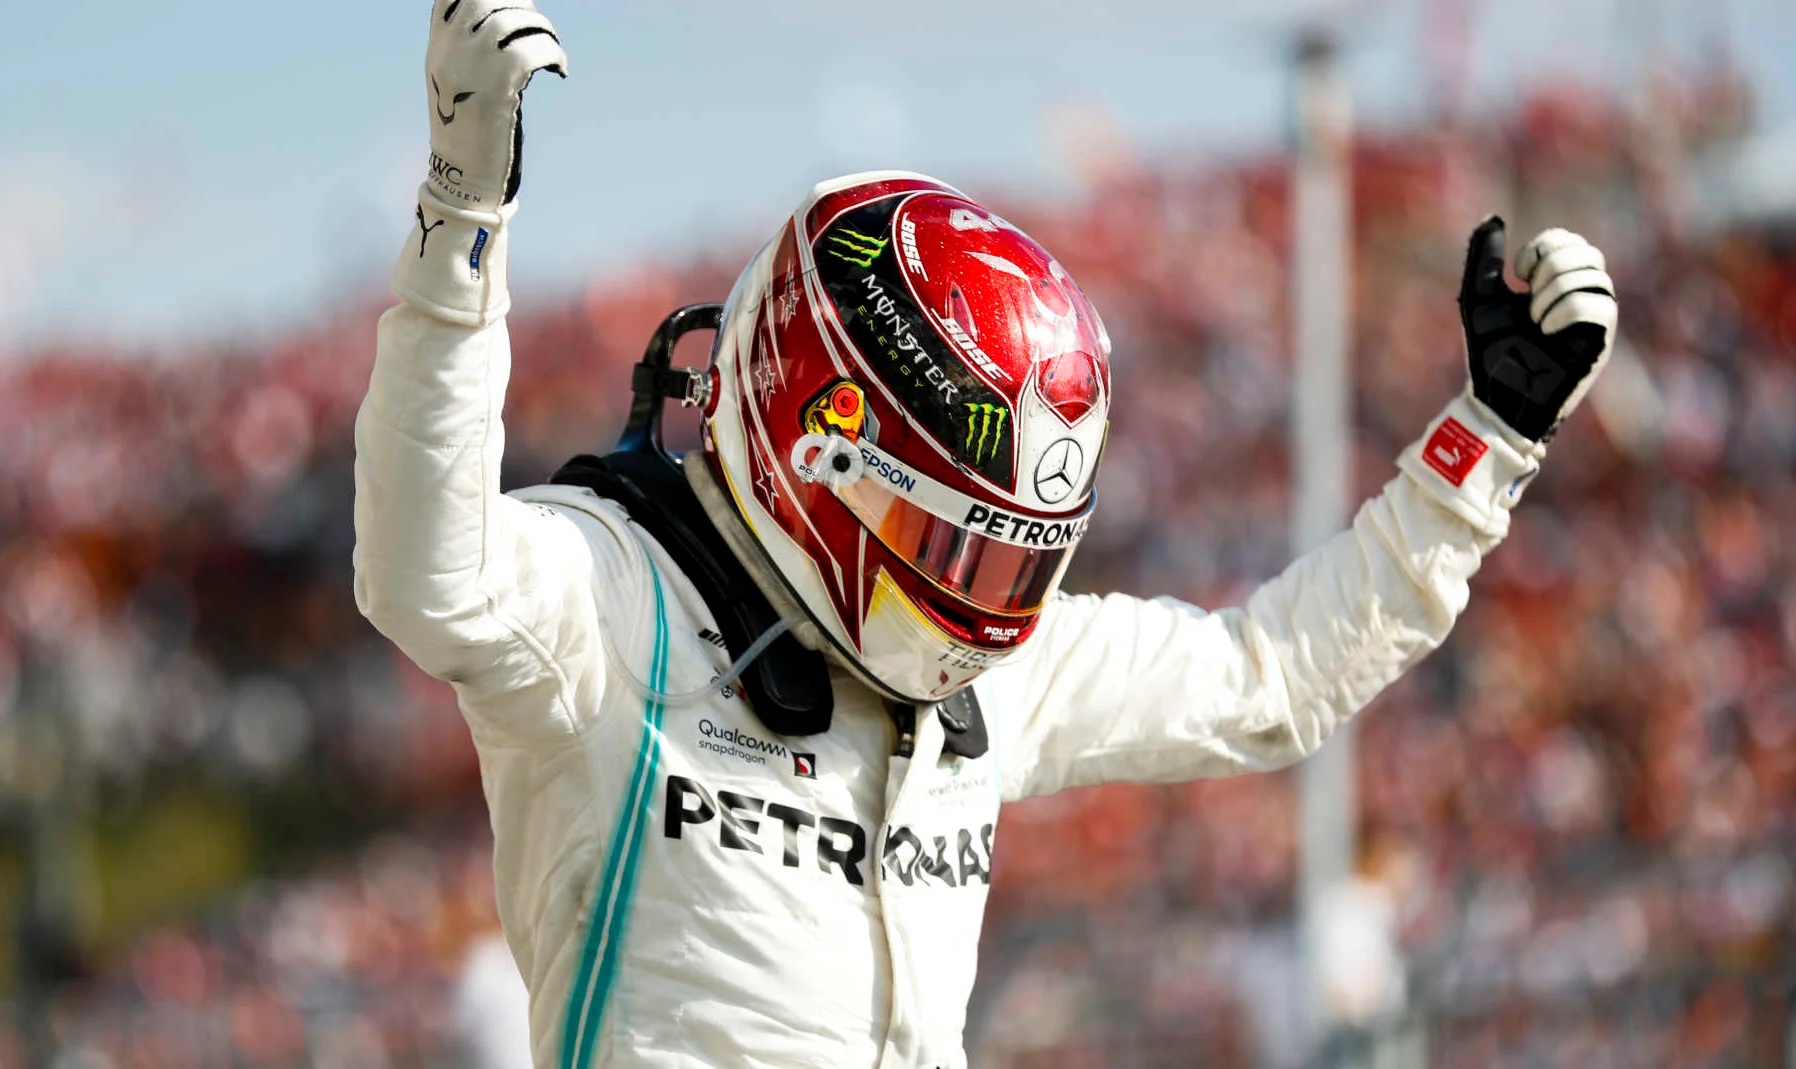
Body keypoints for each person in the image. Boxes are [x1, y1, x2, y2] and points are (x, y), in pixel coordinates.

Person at [352, 3, 1620, 1066]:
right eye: (955, 541)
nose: (981, 602)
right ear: (814, 438)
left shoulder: (999, 676)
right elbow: (426, 574)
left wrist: (1488, 441)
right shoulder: (615, 592)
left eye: (1017, 557)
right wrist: (461, 220)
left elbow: (1269, 679)